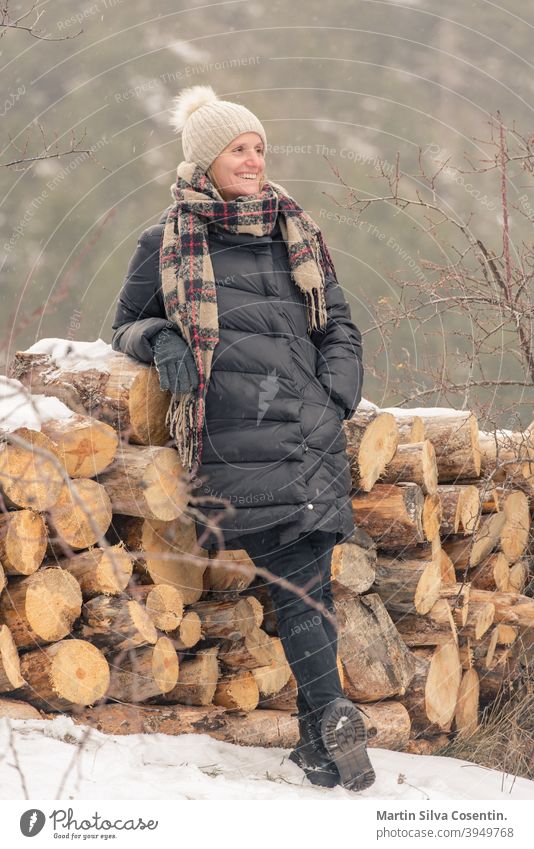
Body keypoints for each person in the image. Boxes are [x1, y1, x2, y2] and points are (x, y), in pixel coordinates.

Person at [111, 84, 375, 792]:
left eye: (260, 147)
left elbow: (339, 324)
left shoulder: (297, 230)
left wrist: (337, 391)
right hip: (238, 439)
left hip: (312, 434)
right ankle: (330, 715)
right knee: (298, 578)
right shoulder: (164, 241)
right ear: (205, 161)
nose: (255, 160)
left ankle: (322, 741)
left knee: (306, 583)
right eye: (239, 149)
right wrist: (161, 333)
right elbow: (121, 327)